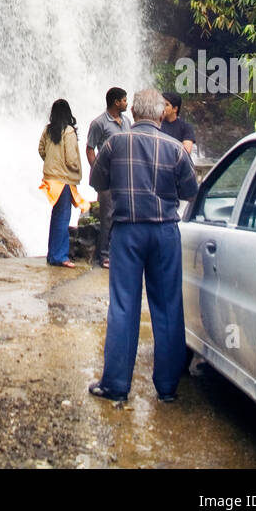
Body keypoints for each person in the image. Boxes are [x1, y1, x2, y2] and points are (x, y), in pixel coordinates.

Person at [87, 87, 199, 404]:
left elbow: (97, 182)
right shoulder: (176, 149)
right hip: (164, 232)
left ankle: (116, 385)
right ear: (161, 114)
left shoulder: (115, 143)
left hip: (127, 232)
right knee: (167, 308)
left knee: (124, 306)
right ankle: (167, 388)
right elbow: (190, 191)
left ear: (134, 113)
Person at [86, 87, 130, 269]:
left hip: (125, 176)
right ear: (116, 102)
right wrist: (98, 171)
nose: (127, 103)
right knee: (107, 216)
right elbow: (89, 149)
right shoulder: (99, 123)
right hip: (107, 178)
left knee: (123, 215)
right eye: (125, 100)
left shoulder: (127, 122)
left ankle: (118, 252)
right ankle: (104, 255)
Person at [38, 99, 83, 267]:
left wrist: (50, 162)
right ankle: (60, 256)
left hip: (49, 179)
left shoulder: (48, 130)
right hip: (63, 179)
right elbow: (71, 158)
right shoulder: (69, 131)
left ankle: (53, 254)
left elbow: (41, 149)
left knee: (57, 216)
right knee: (63, 217)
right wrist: (76, 168)